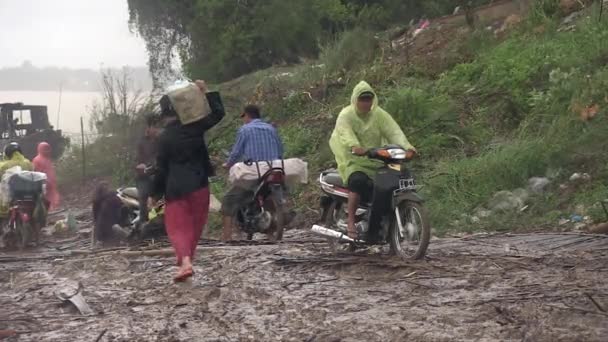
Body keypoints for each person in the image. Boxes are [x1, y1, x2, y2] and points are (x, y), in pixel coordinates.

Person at [152, 79, 225, 282]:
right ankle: (186, 259)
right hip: (200, 185)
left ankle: (185, 262)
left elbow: (161, 169)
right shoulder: (195, 127)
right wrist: (206, 90)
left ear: (165, 115)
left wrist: (154, 194)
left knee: (177, 227)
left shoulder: (164, 138)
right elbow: (218, 113)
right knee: (195, 225)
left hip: (175, 189)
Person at [329, 81, 415, 240]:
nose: (366, 103)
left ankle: (389, 220)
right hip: (354, 160)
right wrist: (355, 147)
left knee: (400, 175)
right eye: (362, 99)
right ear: (355, 100)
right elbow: (345, 133)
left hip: (378, 158)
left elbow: (394, 131)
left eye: (369, 99)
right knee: (357, 181)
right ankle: (350, 222)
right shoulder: (346, 115)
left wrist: (408, 147)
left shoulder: (379, 114)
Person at [221, 105, 283, 241]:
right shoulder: (271, 129)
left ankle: (226, 237)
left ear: (247, 115)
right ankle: (271, 232)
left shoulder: (245, 130)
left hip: (254, 171)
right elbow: (280, 150)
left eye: (243, 117)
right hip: (274, 169)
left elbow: (236, 152)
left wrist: (228, 164)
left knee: (228, 200)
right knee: (270, 195)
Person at [135, 114, 160, 224]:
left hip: (159, 174)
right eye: (154, 127)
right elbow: (136, 161)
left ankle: (158, 220)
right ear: (148, 128)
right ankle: (143, 223)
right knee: (143, 198)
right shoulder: (141, 142)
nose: (156, 130)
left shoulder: (162, 140)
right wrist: (141, 166)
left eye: (158, 127)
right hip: (144, 177)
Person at [33, 142, 60, 211]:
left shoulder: (47, 159)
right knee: (46, 199)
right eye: (45, 149)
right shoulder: (37, 159)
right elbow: (36, 172)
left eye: (48, 149)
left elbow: (50, 170)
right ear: (40, 149)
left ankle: (53, 210)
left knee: (53, 198)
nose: (47, 151)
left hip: (50, 183)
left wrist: (53, 180)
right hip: (43, 183)